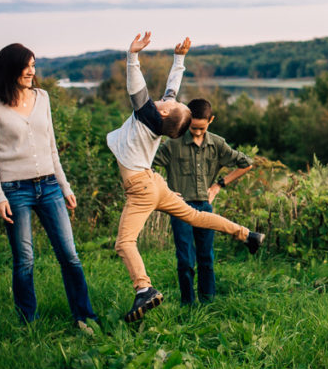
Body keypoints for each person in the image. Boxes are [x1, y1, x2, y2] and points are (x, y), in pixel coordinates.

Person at [106, 32, 263, 322]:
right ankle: (247, 234)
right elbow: (171, 91)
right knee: (197, 217)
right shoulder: (162, 115)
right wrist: (179, 59)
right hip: (155, 183)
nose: (170, 100)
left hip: (141, 187)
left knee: (124, 243)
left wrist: (132, 56)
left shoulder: (147, 116)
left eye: (171, 103)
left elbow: (135, 87)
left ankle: (143, 289)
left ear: (163, 112)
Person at [0, 43, 98, 328]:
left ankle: (85, 318)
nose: (31, 71)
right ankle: (28, 323)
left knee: (69, 255)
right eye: (26, 66)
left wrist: (65, 186)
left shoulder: (42, 97)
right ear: (10, 68)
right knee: (25, 260)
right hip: (14, 190)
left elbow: (52, 148)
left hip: (49, 186)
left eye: (34, 65)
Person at [153, 98, 253, 305]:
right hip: (180, 209)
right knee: (185, 260)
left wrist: (219, 185)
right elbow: (147, 167)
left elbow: (246, 164)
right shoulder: (172, 144)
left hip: (205, 209)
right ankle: (187, 304)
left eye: (201, 128)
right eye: (193, 127)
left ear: (211, 121)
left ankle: (208, 302)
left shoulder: (217, 143)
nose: (197, 132)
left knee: (206, 258)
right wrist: (164, 189)